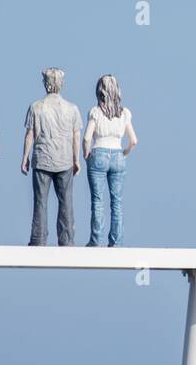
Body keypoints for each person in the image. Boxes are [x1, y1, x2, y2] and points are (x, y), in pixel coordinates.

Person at [21, 67, 82, 246]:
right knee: (66, 201)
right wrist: (76, 159)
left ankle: (38, 239)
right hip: (65, 160)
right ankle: (67, 240)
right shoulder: (72, 108)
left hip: (42, 159)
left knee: (40, 202)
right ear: (61, 84)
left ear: (45, 84)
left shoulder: (36, 107)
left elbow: (30, 135)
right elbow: (76, 136)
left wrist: (25, 157)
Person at [83, 74, 137, 246]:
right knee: (117, 203)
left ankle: (95, 241)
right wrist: (124, 154)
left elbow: (86, 138)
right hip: (118, 155)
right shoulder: (124, 114)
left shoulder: (96, 113)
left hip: (98, 153)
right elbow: (134, 141)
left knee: (97, 201)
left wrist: (86, 155)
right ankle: (116, 242)